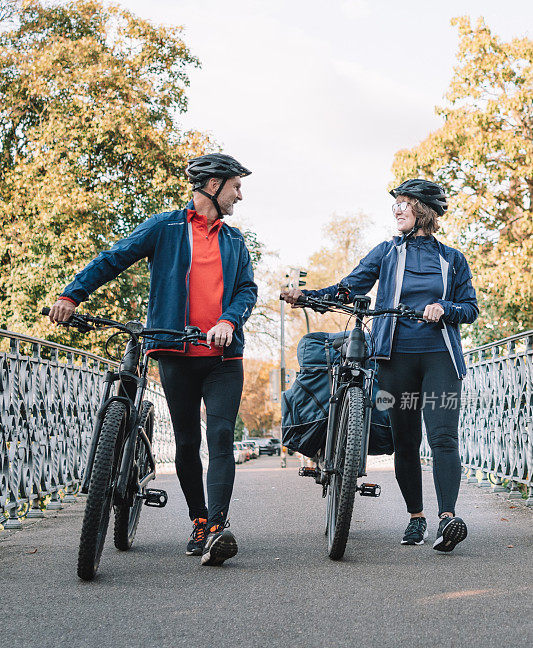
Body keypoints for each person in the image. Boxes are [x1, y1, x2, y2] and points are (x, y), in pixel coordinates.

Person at [49, 153, 257, 566]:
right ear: (212, 186)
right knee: (185, 442)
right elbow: (116, 256)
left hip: (222, 359)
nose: (240, 194)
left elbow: (246, 291)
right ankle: (199, 520)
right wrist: (72, 294)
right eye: (235, 186)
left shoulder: (235, 241)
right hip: (174, 353)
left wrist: (229, 321)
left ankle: (216, 528)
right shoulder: (166, 227)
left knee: (219, 438)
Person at [281, 178, 478, 552]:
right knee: (406, 441)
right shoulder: (387, 252)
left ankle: (447, 519)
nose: (398, 210)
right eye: (396, 204)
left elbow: (469, 307)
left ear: (425, 211)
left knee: (443, 438)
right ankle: (416, 517)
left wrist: (445, 308)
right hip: (393, 360)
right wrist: (308, 297)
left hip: (440, 360)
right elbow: (350, 287)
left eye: (405, 203)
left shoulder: (452, 258)